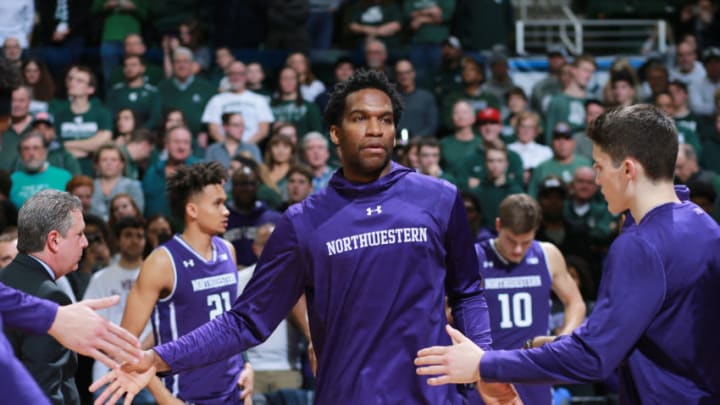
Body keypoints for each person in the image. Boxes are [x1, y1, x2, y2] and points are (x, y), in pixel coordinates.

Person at [91, 69, 518, 404]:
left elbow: (467, 293)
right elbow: (247, 320)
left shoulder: (438, 198)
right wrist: (161, 357)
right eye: (360, 119)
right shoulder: (303, 222)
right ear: (335, 132)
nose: (375, 129)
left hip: (432, 396)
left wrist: (484, 362)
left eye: (385, 120)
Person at [415, 104, 720, 402]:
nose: (597, 179)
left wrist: (483, 365)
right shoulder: (703, 223)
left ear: (628, 169)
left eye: (599, 167)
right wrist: (562, 344)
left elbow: (593, 358)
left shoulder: (640, 244)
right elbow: (658, 334)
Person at [118, 161, 254, 404]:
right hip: (186, 395)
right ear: (192, 210)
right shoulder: (162, 261)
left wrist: (247, 366)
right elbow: (125, 344)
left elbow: (234, 323)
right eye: (217, 203)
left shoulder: (228, 251)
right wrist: (165, 398)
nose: (226, 211)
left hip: (234, 392)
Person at [0, 190, 140, 404]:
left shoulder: (4, 280)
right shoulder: (50, 297)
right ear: (54, 240)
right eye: (79, 234)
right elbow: (48, 387)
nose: (85, 243)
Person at [469, 193, 585, 404]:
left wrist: (564, 338)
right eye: (511, 240)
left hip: (533, 370)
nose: (517, 249)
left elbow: (575, 302)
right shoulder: (475, 257)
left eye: (525, 242)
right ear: (498, 225)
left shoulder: (547, 254)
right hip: (486, 369)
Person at [83, 216, 154, 404]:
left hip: (149, 369)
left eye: (140, 236)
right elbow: (90, 323)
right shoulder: (101, 278)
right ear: (118, 240)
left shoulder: (157, 274)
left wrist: (135, 354)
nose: (134, 240)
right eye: (128, 235)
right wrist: (120, 354)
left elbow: (162, 323)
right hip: (107, 369)